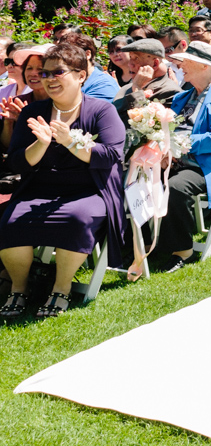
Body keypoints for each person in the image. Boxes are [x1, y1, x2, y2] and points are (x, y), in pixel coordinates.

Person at [0, 44, 128, 319]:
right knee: (11, 221)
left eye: (58, 72)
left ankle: (61, 288)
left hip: (89, 191)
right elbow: (17, 161)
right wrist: (42, 143)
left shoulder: (102, 111)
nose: (49, 79)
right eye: (45, 74)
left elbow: (110, 155)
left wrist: (70, 142)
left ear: (81, 75)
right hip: (38, 189)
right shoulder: (33, 111)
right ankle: (19, 289)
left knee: (76, 219)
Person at [156, 42, 211, 272]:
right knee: (134, 178)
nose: (180, 65)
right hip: (175, 161)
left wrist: (176, 145)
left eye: (187, 61)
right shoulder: (182, 97)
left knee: (174, 187)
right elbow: (168, 130)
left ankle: (183, 250)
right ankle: (145, 242)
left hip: (206, 165)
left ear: (205, 67)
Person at [111, 38, 182, 121]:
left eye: (136, 58)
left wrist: (137, 88)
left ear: (155, 64)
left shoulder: (171, 92)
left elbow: (144, 125)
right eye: (130, 57)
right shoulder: (126, 88)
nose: (130, 64)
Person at [0, 44, 52, 152]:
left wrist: (25, 121)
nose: (33, 73)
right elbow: (8, 145)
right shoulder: (17, 102)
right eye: (29, 68)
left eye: (40, 69)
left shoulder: (63, 103)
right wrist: (8, 123)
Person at [56, 32, 120, 104]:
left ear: (87, 54)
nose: (64, 60)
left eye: (70, 55)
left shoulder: (104, 85)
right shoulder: (71, 79)